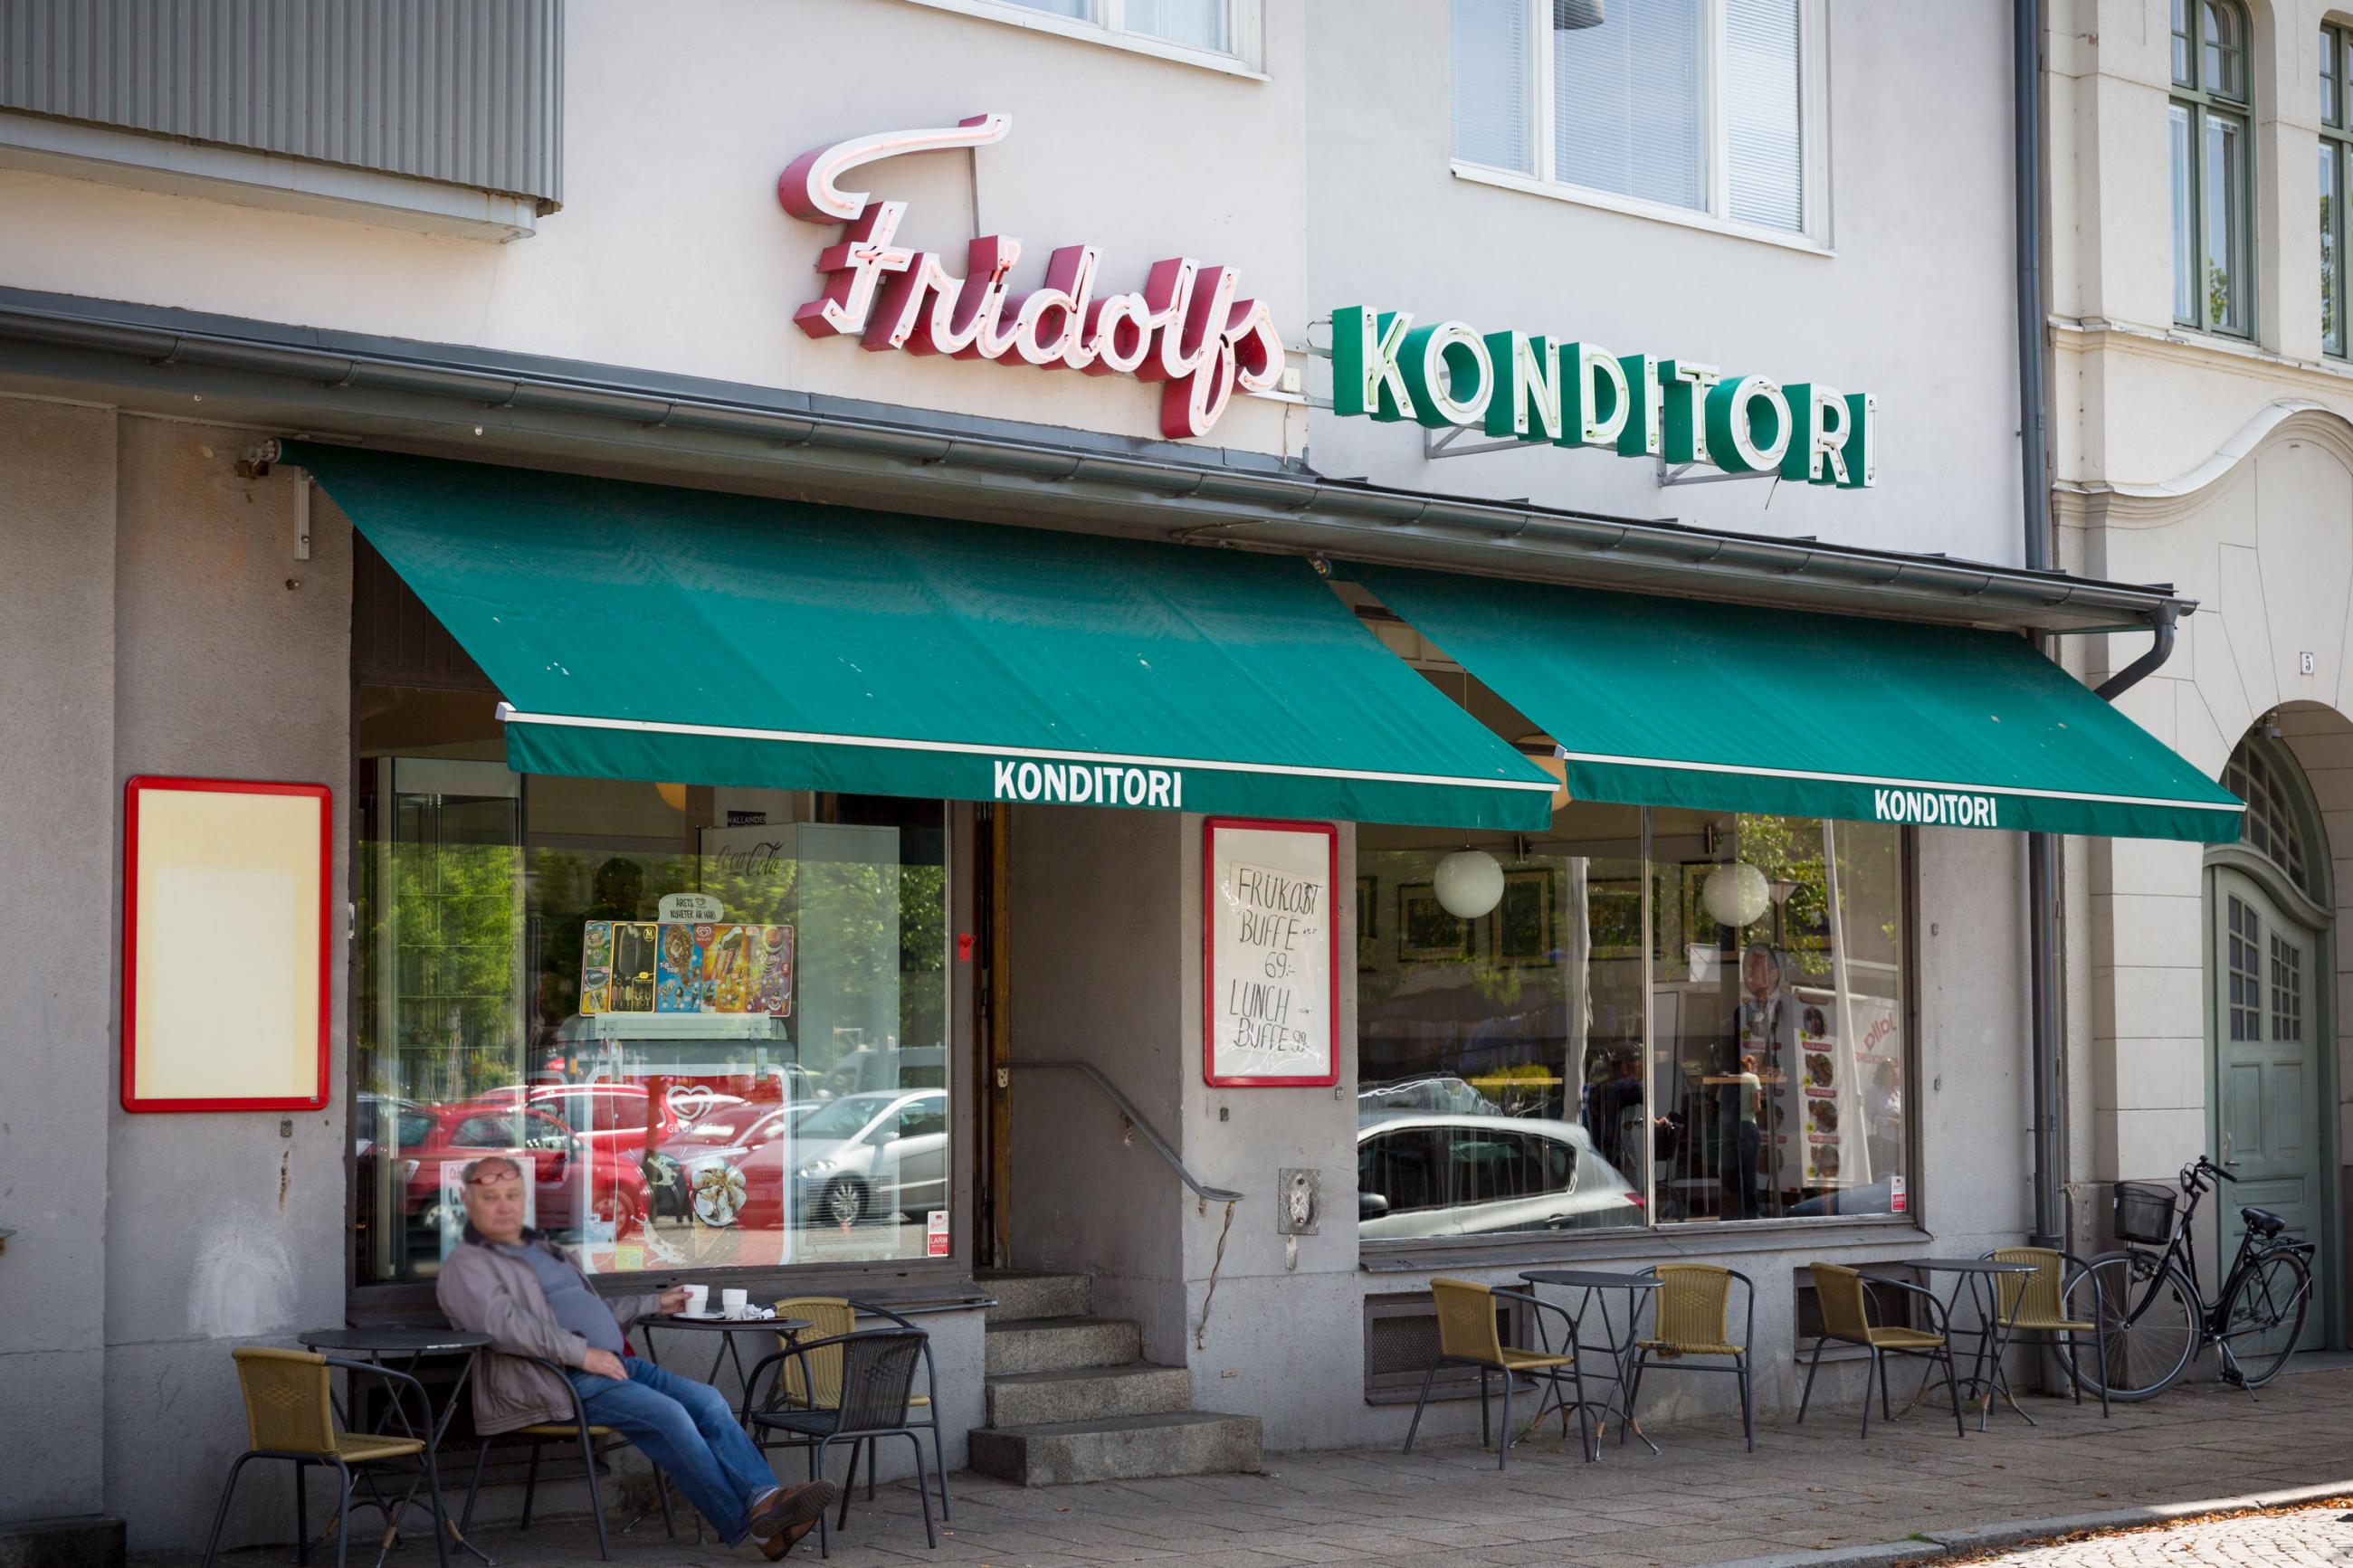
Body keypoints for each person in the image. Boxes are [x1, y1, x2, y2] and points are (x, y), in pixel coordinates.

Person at [437, 1155, 838, 1559]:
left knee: (708, 1401)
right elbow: (504, 1327)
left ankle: (764, 1499)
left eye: (511, 1195)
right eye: (490, 1197)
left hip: (611, 1364)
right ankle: (759, 1529)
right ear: (468, 1202)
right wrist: (583, 1354)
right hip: (558, 1380)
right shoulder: (467, 1264)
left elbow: (589, 1311)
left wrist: (653, 1303)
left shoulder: (543, 1250)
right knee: (671, 1416)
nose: (504, 1205)